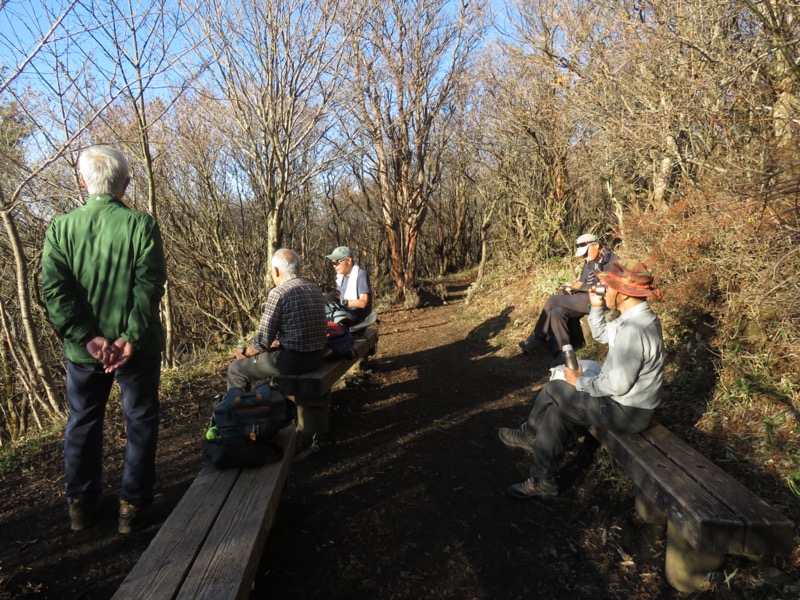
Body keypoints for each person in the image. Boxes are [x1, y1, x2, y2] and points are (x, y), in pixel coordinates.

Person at [42, 145, 168, 534]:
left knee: (82, 420)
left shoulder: (60, 229)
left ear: (83, 181)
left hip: (83, 352)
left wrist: (89, 339)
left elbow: (55, 292)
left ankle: (81, 503)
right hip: (138, 348)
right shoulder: (141, 226)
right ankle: (133, 506)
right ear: (126, 184)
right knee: (141, 419)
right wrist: (128, 339)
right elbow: (149, 288)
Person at [499, 259, 664, 499]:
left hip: (627, 411)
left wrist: (580, 381)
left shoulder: (634, 330)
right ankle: (542, 479)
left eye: (607, 288)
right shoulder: (639, 319)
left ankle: (530, 434)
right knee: (558, 410)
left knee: (555, 389)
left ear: (625, 295)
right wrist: (597, 307)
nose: (601, 290)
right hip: (629, 405)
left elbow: (617, 385)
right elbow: (600, 335)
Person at [227, 248, 326, 391]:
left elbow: (262, 341)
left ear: (276, 270)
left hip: (293, 361)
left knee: (236, 369)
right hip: (317, 358)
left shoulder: (279, 293)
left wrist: (245, 353)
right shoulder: (314, 288)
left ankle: (239, 410)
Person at [519, 233, 617, 365]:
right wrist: (573, 287)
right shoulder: (589, 262)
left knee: (553, 300)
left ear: (597, 245)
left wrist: (585, 288)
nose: (584, 256)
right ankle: (562, 352)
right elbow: (582, 282)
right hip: (583, 297)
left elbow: (610, 287)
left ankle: (538, 336)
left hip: (599, 300)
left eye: (586, 252)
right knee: (557, 311)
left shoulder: (612, 261)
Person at [325, 246, 374, 327]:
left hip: (358, 319)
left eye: (336, 262)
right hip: (346, 314)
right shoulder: (340, 278)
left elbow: (363, 303)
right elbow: (341, 299)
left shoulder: (361, 275)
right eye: (332, 263)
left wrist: (340, 302)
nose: (334, 266)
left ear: (348, 260)